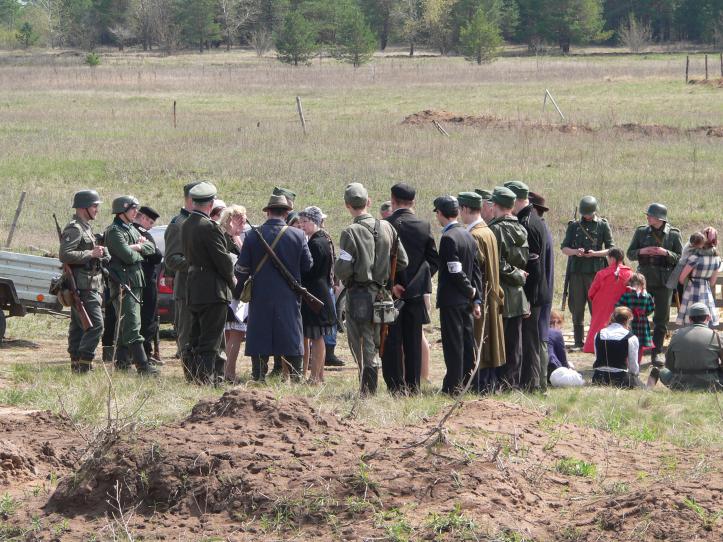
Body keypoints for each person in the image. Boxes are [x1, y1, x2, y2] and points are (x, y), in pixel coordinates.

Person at [334, 183, 408, 395]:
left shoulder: (350, 232)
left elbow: (342, 269)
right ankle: (370, 387)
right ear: (369, 202)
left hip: (359, 295)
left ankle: (368, 390)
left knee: (361, 341)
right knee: (376, 340)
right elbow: (402, 261)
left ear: (347, 205)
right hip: (383, 294)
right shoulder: (387, 227)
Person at [237, 194, 313, 383]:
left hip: (260, 294)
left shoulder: (252, 235)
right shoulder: (298, 235)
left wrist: (238, 290)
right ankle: (296, 377)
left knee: (259, 333)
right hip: (289, 294)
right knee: (291, 334)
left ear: (268, 212)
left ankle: (258, 375)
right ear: (286, 213)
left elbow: (242, 269)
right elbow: (308, 265)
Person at [381, 182, 439, 394]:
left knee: (391, 340)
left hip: (390, 295)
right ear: (413, 202)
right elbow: (433, 261)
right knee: (413, 341)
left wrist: (392, 285)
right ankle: (413, 386)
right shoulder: (423, 226)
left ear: (393, 200)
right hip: (415, 295)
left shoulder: (385, 225)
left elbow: (380, 261)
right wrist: (416, 283)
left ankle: (395, 386)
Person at [182, 182, 235, 384]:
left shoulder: (186, 224)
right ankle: (205, 379)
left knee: (195, 336)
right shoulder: (209, 227)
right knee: (211, 339)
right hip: (213, 289)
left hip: (194, 287)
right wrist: (233, 283)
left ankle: (193, 377)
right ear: (211, 204)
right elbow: (223, 261)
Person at [434, 195, 483, 394]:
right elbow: (476, 271)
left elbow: (454, 270)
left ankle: (453, 386)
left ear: (440, 213)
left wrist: (469, 290)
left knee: (453, 344)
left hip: (452, 300)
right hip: (467, 301)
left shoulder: (448, 238)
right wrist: (476, 298)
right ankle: (469, 382)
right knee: (467, 342)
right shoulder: (468, 235)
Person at [105, 196, 158, 375]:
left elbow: (151, 248)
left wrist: (137, 247)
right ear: (122, 210)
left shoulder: (131, 229)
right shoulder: (114, 231)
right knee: (132, 323)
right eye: (132, 209)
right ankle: (143, 366)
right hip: (123, 282)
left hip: (135, 281)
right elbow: (127, 256)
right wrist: (139, 248)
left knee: (126, 323)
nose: (136, 212)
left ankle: (122, 363)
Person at [506, 181, 551, 392]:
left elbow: (533, 266)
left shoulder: (528, 223)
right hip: (535, 291)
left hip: (532, 293)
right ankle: (531, 383)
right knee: (529, 339)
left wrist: (527, 298)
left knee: (529, 341)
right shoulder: (531, 218)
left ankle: (530, 384)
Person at [458, 191, 505, 393]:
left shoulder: (474, 235)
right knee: (488, 344)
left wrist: (473, 298)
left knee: (480, 343)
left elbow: (474, 272)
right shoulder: (488, 231)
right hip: (491, 296)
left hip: (481, 297)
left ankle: (479, 386)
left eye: (460, 209)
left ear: (465, 209)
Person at [626, 203, 683, 365]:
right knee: (637, 315)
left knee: (661, 319)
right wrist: (642, 251)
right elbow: (630, 254)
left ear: (660, 218)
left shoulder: (673, 234)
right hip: (643, 281)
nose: (648, 218)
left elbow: (680, 258)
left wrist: (666, 253)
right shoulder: (641, 232)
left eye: (650, 215)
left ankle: (656, 352)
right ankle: (634, 350)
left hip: (664, 282)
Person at [59, 190, 108, 373]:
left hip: (89, 283)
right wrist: (91, 253)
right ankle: (84, 364)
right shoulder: (75, 228)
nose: (97, 210)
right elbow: (65, 255)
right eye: (94, 206)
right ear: (83, 207)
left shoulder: (86, 227)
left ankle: (76, 362)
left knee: (80, 325)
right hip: (82, 285)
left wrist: (100, 253)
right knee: (96, 326)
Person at [486, 187, 529, 389]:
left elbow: (497, 263)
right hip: (518, 295)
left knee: (500, 343)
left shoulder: (495, 230)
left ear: (495, 205)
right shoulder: (520, 228)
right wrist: (519, 274)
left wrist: (515, 274)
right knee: (514, 343)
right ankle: (511, 383)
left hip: (502, 294)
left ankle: (501, 384)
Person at [560, 196, 614, 349]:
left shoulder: (602, 225)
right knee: (577, 307)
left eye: (589, 213)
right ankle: (578, 341)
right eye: (584, 213)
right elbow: (564, 248)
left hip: (595, 272)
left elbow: (611, 249)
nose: (586, 216)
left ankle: (597, 340)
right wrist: (575, 252)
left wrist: (595, 254)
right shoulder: (574, 226)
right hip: (576, 272)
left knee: (596, 307)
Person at [164, 181, 201, 376]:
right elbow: (171, 259)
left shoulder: (197, 222)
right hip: (186, 288)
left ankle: (200, 370)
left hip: (201, 287)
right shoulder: (179, 224)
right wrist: (199, 263)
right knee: (187, 332)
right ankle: (189, 374)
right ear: (191, 199)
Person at [298, 206, 336, 384]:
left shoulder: (315, 243)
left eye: (305, 221)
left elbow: (310, 270)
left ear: (315, 222)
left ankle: (314, 377)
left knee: (316, 336)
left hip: (315, 292)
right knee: (316, 335)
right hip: (320, 290)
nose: (302, 225)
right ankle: (319, 376)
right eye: (301, 222)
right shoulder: (323, 239)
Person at [650, 303, 722, 391]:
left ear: (690, 319)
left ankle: (647, 391)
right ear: (708, 317)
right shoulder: (717, 336)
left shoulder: (677, 334)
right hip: (711, 384)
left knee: (660, 370)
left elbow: (669, 364)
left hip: (680, 383)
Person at [583, 248, 632, 353]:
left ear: (612, 258)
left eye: (608, 258)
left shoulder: (601, 274)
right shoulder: (629, 273)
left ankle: (594, 347)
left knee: (598, 326)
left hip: (602, 306)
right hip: (622, 307)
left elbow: (591, 293)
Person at [219, 204, 248, 382]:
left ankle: (227, 371)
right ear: (232, 220)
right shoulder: (225, 238)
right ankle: (229, 373)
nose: (244, 225)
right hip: (233, 290)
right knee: (234, 333)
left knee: (232, 333)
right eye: (242, 221)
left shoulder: (234, 238)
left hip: (236, 291)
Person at [529, 191, 555, 389]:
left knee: (539, 338)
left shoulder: (538, 229)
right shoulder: (543, 228)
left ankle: (539, 382)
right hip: (545, 289)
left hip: (540, 290)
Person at [133, 206, 163, 363]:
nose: (150, 226)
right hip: (145, 280)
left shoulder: (128, 231)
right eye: (150, 222)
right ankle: (145, 352)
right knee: (148, 318)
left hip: (134, 281)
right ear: (143, 218)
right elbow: (157, 256)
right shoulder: (142, 234)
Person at [676, 231, 720, 327]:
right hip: (706, 290)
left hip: (692, 289)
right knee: (705, 320)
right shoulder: (717, 259)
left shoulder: (694, 258)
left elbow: (681, 279)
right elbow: (712, 282)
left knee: (691, 320)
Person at [591, 307, 642, 388]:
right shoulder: (631, 337)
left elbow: (598, 357)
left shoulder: (598, 334)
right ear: (627, 321)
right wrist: (635, 377)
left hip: (598, 378)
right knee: (643, 386)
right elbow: (633, 365)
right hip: (620, 379)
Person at [616, 273, 655, 363]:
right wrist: (628, 313)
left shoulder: (646, 296)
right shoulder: (627, 295)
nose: (636, 286)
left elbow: (650, 308)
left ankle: (636, 363)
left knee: (638, 344)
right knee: (629, 342)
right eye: (635, 283)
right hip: (631, 323)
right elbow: (618, 307)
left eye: (639, 284)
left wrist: (642, 313)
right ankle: (628, 363)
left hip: (639, 323)